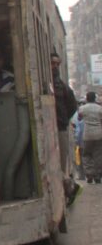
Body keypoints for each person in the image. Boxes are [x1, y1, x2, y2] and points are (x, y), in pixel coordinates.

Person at [51, 51, 80, 204]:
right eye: (52, 63)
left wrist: (63, 120)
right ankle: (70, 188)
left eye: (57, 64)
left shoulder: (61, 85)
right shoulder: (52, 83)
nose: (54, 66)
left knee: (60, 164)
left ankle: (69, 188)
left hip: (60, 128)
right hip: (53, 127)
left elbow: (72, 105)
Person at [79, 92, 102, 184]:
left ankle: (89, 175)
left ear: (87, 99)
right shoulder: (100, 108)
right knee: (98, 155)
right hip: (99, 134)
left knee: (86, 155)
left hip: (87, 135)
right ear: (95, 99)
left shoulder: (82, 108)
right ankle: (98, 176)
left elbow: (79, 118)